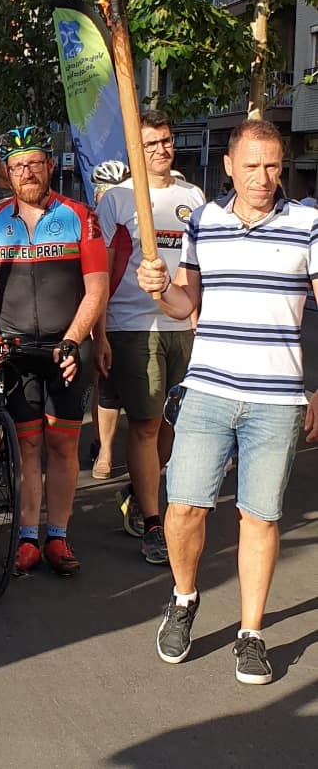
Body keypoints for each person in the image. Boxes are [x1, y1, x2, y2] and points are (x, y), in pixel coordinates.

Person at [137, 119, 318, 684]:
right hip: (209, 389)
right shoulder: (206, 224)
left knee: (259, 517)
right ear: (228, 168)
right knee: (184, 507)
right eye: (252, 166)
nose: (264, 177)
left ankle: (251, 634)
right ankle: (184, 598)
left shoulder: (308, 223)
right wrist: (160, 287)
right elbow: (185, 303)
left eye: (273, 166)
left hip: (277, 398)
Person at [0, 126, 108, 576]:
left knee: (63, 444)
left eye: (35, 163)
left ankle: (58, 535)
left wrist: (75, 338)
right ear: (7, 173)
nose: (27, 171)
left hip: (67, 346)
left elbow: (97, 287)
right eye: (18, 165)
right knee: (27, 447)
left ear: (50, 166)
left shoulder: (80, 216)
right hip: (15, 347)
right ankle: (27, 535)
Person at [95, 115, 205, 565]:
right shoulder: (117, 200)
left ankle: (140, 488)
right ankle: (154, 523)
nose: (161, 150)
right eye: (150, 144)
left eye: (166, 141)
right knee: (143, 424)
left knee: (173, 427)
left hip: (183, 326)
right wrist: (99, 333)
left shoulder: (192, 197)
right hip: (132, 325)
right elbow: (99, 272)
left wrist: (200, 316)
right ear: (134, 153)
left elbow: (201, 267)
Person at [88, 159, 131, 480]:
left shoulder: (130, 218)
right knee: (101, 378)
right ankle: (103, 446)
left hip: (126, 305)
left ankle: (106, 443)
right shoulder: (90, 220)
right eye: (105, 192)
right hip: (95, 302)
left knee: (108, 379)